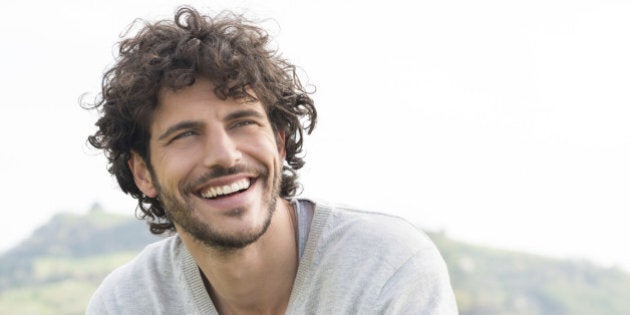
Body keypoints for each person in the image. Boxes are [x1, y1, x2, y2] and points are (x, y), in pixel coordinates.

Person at [85, 6, 458, 314]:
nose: (224, 156)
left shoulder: (386, 268)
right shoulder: (125, 303)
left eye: (243, 122)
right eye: (186, 135)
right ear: (142, 172)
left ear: (279, 141)